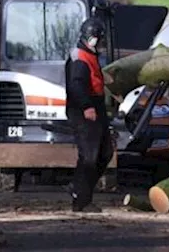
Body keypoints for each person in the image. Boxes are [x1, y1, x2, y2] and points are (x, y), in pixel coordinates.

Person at [65, 17, 114, 212]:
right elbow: (76, 85)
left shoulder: (89, 55)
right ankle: (81, 199)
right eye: (100, 40)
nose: (102, 44)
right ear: (91, 39)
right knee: (89, 157)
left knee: (105, 153)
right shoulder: (80, 58)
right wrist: (87, 107)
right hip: (83, 111)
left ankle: (79, 188)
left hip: (96, 107)